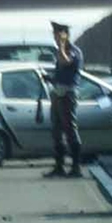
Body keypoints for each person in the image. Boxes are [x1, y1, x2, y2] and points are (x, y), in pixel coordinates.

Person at [44, 21, 84, 178]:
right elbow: (61, 71)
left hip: (68, 94)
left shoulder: (74, 51)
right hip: (58, 93)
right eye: (54, 34)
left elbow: (65, 61)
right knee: (57, 131)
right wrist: (50, 78)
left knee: (70, 130)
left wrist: (61, 45)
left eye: (58, 34)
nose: (55, 37)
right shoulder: (60, 51)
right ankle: (59, 166)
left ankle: (76, 167)